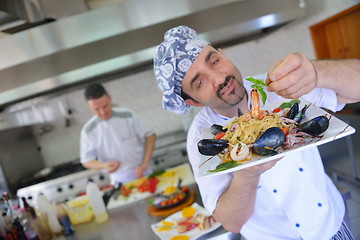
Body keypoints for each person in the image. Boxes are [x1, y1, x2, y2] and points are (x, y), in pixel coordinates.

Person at [153, 26, 360, 240]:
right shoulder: (199, 136)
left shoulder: (276, 86)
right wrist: (247, 172)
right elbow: (231, 222)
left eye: (214, 61)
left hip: (329, 227)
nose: (219, 78)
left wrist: (317, 72)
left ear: (222, 54)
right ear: (192, 101)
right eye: (200, 82)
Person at [80, 83, 157, 184]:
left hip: (143, 171)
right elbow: (86, 161)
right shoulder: (88, 130)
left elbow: (150, 136)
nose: (103, 112)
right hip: (119, 178)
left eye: (105, 106)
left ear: (109, 99)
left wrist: (144, 164)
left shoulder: (128, 115)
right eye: (97, 109)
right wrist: (104, 166)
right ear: (89, 106)